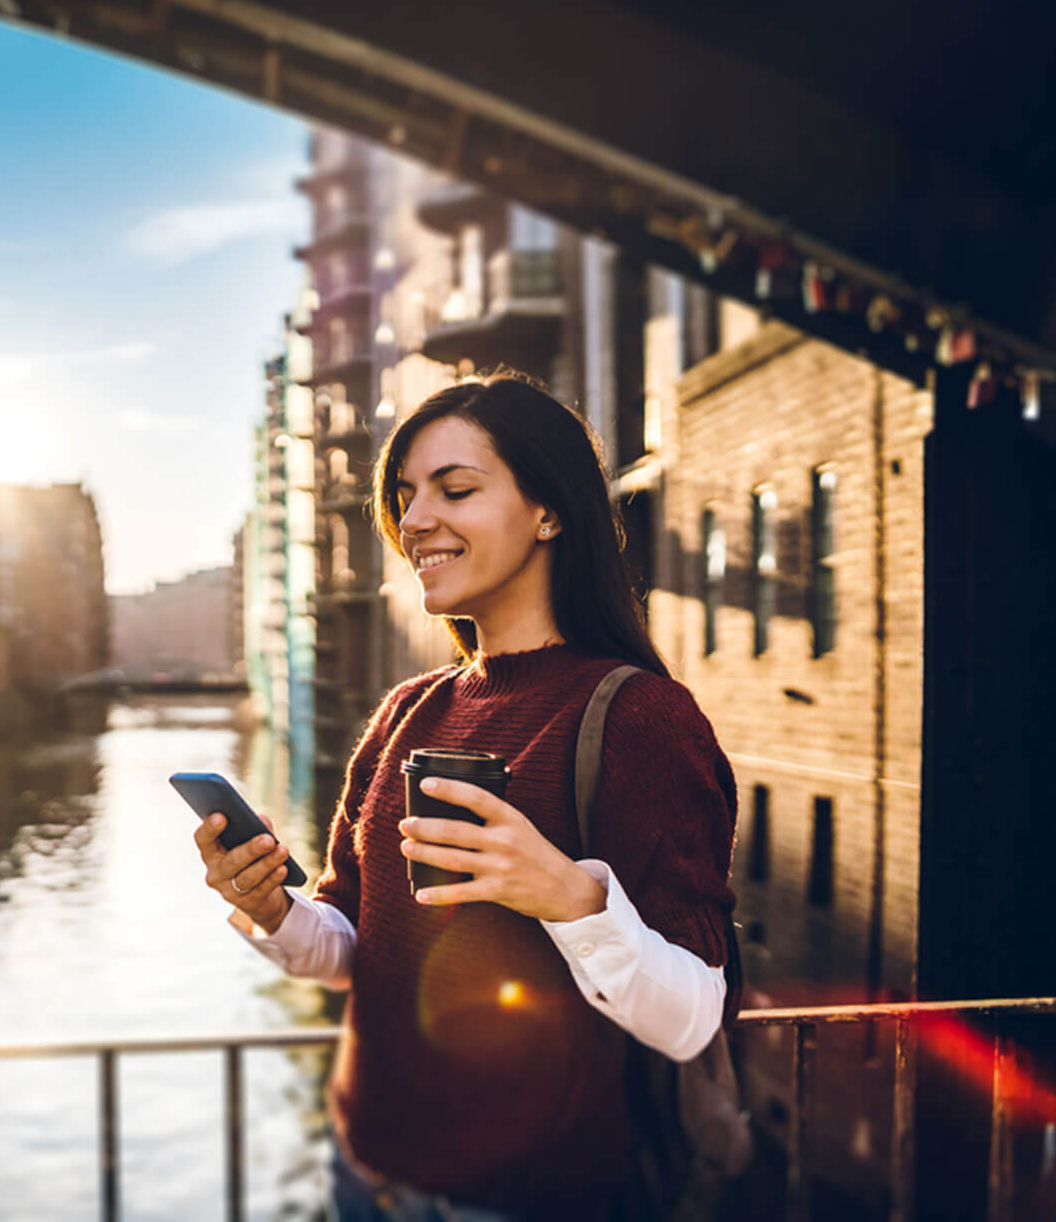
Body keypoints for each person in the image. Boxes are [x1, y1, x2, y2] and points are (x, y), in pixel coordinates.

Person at [193, 372, 738, 1220]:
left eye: (456, 489)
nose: (413, 521)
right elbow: (349, 948)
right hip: (367, 1175)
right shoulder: (410, 709)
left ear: (549, 512)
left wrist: (568, 896)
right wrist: (272, 910)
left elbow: (696, 1017)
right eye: (406, 496)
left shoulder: (641, 717)